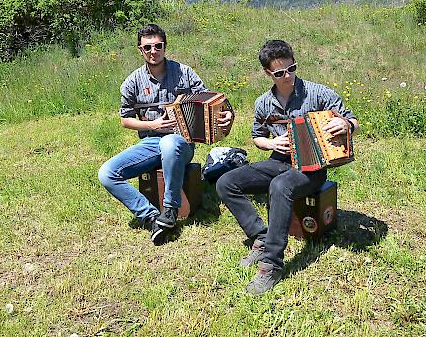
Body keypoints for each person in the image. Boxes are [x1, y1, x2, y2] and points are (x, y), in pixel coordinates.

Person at [215, 39, 359, 295]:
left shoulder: (317, 93)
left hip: (311, 169)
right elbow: (257, 136)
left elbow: (352, 120)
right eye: (280, 73)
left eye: (291, 68)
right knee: (226, 182)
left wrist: (347, 126)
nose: (288, 76)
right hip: (277, 162)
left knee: (280, 186)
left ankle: (271, 264)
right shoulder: (263, 103)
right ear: (268, 73)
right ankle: (260, 236)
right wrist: (271, 142)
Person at [98, 23, 233, 245]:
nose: (153, 51)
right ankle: (151, 216)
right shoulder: (132, 82)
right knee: (107, 173)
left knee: (171, 142)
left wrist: (226, 114)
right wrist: (153, 125)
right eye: (147, 47)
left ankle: (170, 208)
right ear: (140, 50)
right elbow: (125, 119)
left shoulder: (185, 72)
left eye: (157, 46)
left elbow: (210, 100)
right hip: (150, 142)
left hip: (182, 142)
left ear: (165, 47)